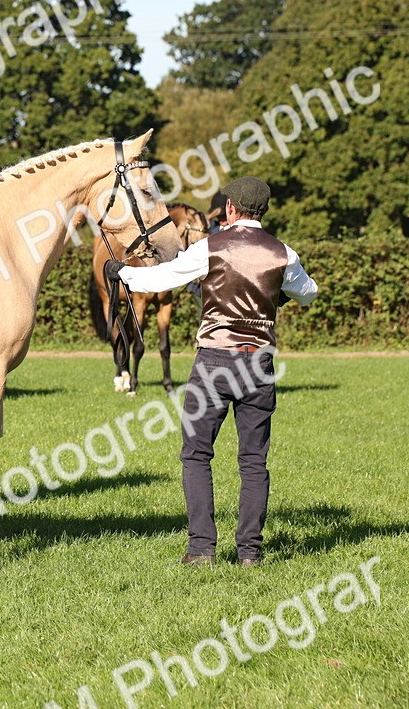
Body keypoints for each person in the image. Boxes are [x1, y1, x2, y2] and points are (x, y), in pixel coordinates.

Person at [109, 176, 318, 567]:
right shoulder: (283, 253)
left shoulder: (210, 246)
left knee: (196, 455)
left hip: (214, 363)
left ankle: (202, 548)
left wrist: (122, 272)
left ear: (231, 210)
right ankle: (250, 553)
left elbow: (165, 276)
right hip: (259, 364)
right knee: (253, 461)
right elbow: (308, 292)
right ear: (263, 211)